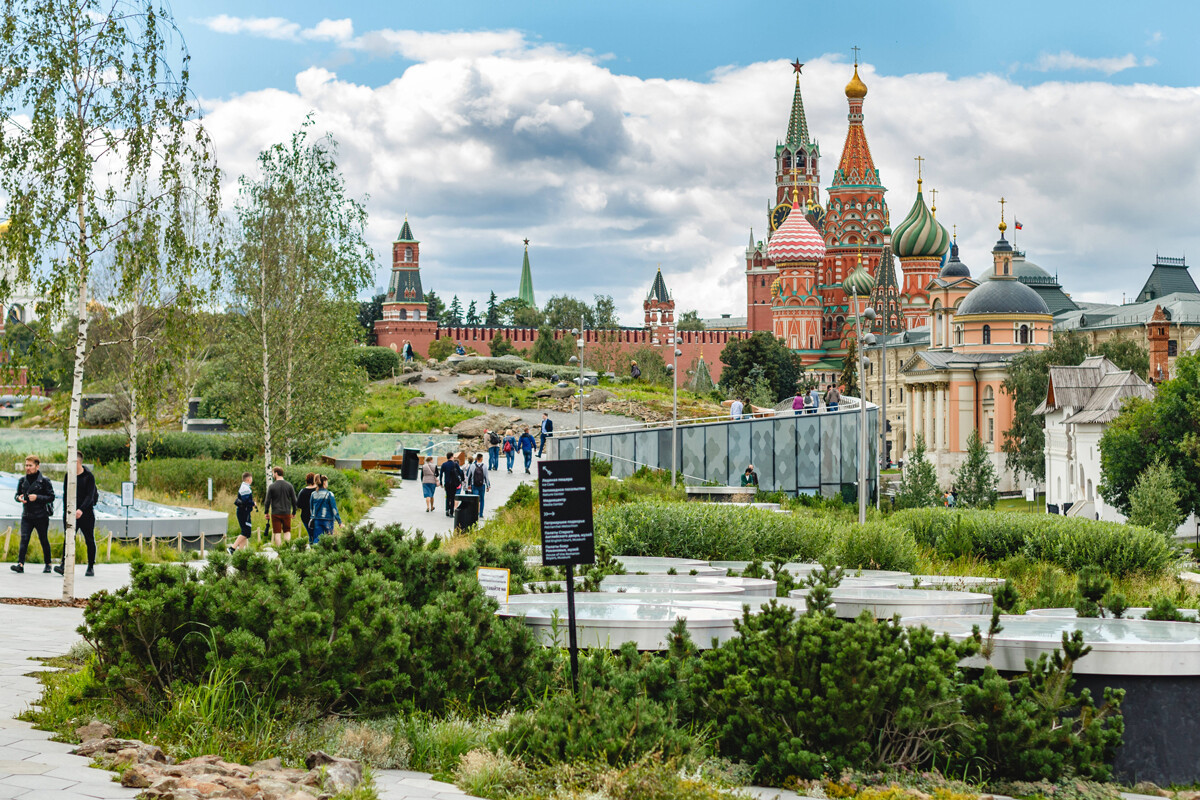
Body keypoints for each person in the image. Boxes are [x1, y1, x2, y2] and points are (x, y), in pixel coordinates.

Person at [54, 456, 99, 577]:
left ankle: (90, 566)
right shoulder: (68, 476)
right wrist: (66, 513)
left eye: (69, 461)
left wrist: (81, 509)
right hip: (70, 514)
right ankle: (64, 564)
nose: (67, 463)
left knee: (89, 539)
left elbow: (90, 496)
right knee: (68, 539)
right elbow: (65, 495)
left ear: (77, 462)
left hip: (86, 513)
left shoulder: (88, 477)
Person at [11, 455, 54, 574]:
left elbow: (51, 497)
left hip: (41, 515)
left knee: (43, 539)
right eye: (26, 465)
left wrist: (37, 497)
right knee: (24, 539)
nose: (27, 468)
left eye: (30, 465)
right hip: (27, 515)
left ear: (37, 466)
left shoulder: (44, 481)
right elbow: (17, 495)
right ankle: (20, 564)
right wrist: (19, 498)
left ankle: (48, 563)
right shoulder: (22, 480)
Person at [264, 467, 299, 547]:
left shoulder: (272, 486)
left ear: (276, 473)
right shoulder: (289, 485)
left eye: (273, 473)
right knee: (287, 531)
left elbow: (267, 501)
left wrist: (266, 512)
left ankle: (279, 551)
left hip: (275, 513)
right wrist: (294, 512)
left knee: (277, 533)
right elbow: (294, 500)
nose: (273, 475)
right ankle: (287, 548)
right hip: (286, 512)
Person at [309, 474, 341, 542]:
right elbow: (334, 509)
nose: (327, 483)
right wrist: (339, 522)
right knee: (329, 540)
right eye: (327, 482)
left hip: (317, 520)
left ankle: (315, 552)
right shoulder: (330, 494)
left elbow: (311, 509)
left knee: (317, 539)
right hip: (328, 520)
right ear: (324, 483)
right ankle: (327, 552)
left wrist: (313, 517)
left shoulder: (313, 494)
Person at [229, 472, 255, 553]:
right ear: (248, 479)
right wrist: (253, 503)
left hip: (244, 512)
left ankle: (240, 552)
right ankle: (232, 548)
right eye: (251, 478)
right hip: (243, 512)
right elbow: (246, 500)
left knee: (246, 533)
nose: (252, 480)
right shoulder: (245, 488)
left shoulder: (245, 487)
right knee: (245, 531)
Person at [439, 451, 463, 517]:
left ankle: (447, 510)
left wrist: (441, 482)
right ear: (452, 457)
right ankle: (451, 512)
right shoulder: (455, 464)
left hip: (447, 483)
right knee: (452, 498)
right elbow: (460, 473)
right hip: (453, 483)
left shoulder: (444, 464)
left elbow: (441, 474)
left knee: (447, 496)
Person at [467, 452, 490, 516]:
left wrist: (468, 486)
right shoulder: (484, 466)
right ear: (481, 458)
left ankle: (475, 513)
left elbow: (469, 476)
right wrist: (488, 486)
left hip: (474, 485)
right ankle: (481, 514)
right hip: (482, 485)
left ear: (476, 458)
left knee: (475, 500)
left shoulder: (472, 466)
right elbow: (486, 477)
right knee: (482, 500)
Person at [297, 473, 317, 542]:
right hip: (317, 516)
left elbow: (299, 505)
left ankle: (311, 547)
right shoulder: (318, 491)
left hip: (305, 516)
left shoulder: (302, 492)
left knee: (310, 535)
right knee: (317, 535)